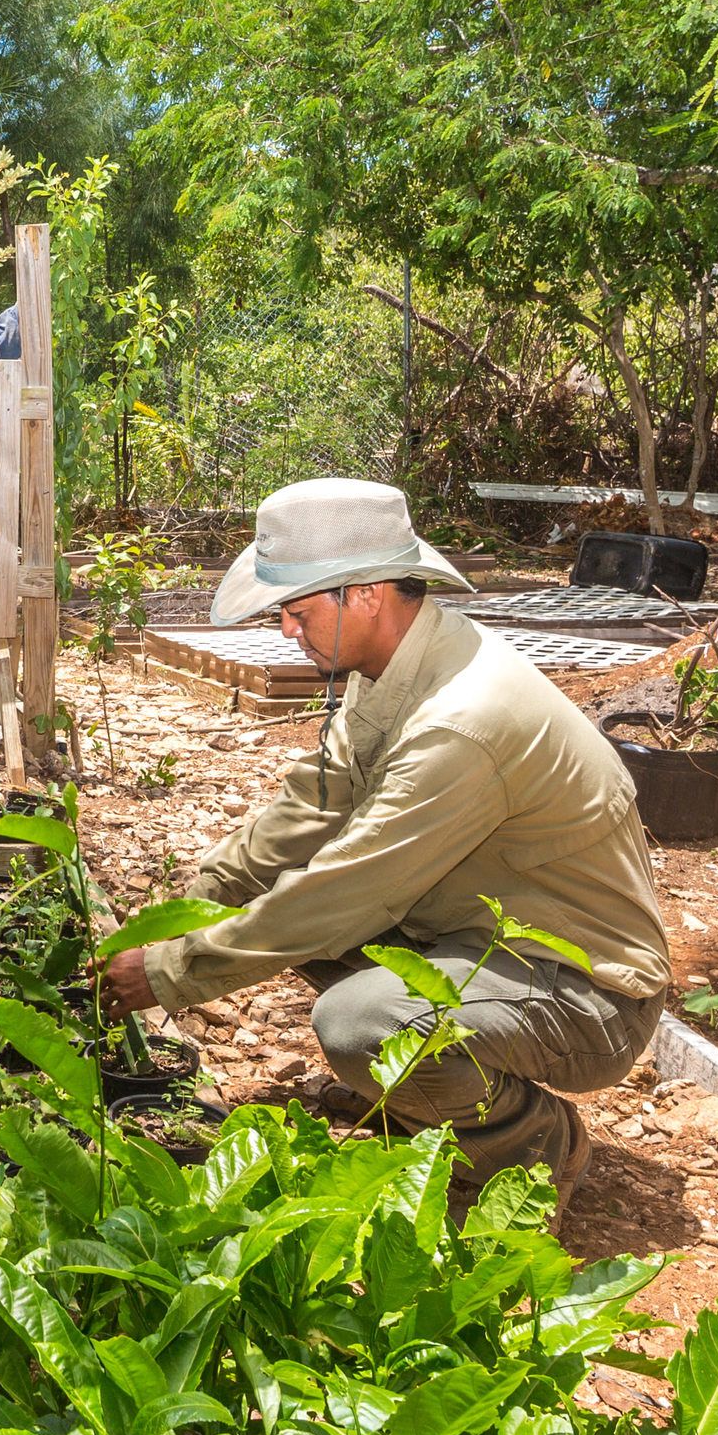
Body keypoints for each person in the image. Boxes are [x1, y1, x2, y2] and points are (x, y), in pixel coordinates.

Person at [95, 476, 671, 1190]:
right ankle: (430, 1099)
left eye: (297, 612)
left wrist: (166, 972)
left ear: (364, 594)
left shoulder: (461, 723)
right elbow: (310, 806)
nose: (285, 631)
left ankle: (534, 1146)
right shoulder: (399, 664)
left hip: (586, 993)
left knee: (362, 1025)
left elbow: (344, 891)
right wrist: (190, 906)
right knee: (285, 913)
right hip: (482, 934)